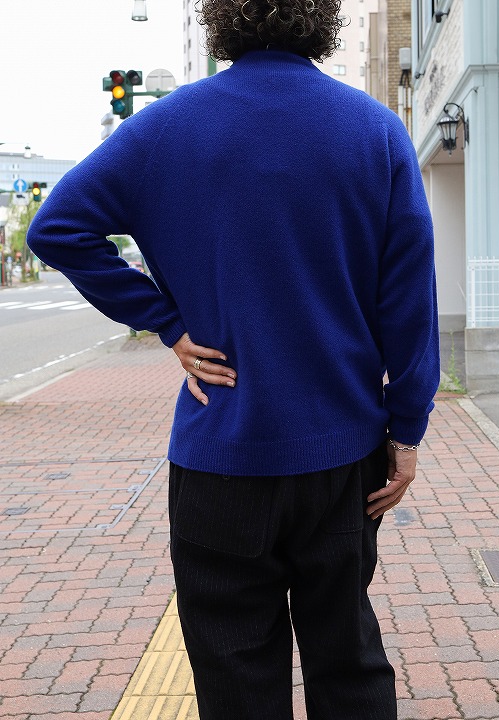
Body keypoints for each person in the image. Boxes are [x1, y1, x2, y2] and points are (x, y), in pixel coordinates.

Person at [27, 0, 440, 716]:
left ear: (220, 20)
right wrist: (406, 430)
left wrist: (167, 323)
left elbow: (57, 228)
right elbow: (410, 298)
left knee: (235, 677)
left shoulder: (161, 128)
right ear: (322, 19)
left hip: (219, 451)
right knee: (347, 660)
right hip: (343, 452)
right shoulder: (373, 130)